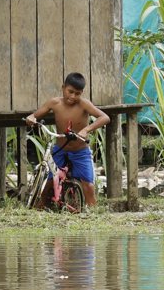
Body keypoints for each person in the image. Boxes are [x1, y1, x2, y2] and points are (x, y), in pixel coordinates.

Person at [24, 72, 110, 207]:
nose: (73, 96)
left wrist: (86, 130)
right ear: (63, 87)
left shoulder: (84, 104)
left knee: (88, 185)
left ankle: (93, 215)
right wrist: (31, 118)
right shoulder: (54, 103)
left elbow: (105, 117)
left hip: (80, 151)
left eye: (77, 93)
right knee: (49, 183)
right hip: (60, 149)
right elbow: (35, 115)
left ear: (82, 93)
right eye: (70, 92)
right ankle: (38, 209)